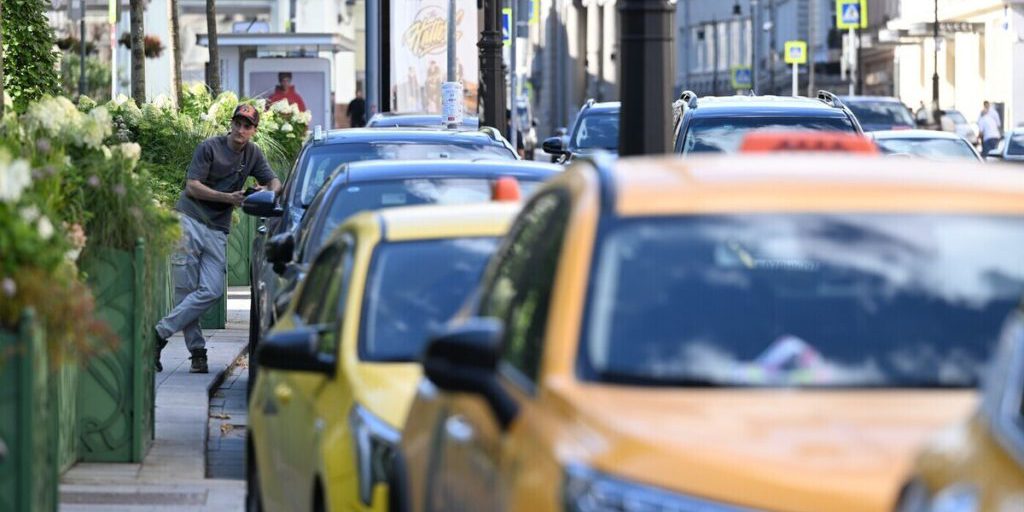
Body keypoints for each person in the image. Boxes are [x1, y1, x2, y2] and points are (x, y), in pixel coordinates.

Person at [154, 104, 282, 373]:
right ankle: (198, 352)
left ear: (253, 131)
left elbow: (275, 182)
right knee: (185, 291)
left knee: (211, 290)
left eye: (247, 125)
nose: (241, 129)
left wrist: (264, 188)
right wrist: (228, 198)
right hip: (188, 219)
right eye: (237, 123)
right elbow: (193, 186)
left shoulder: (253, 154)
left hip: (217, 229)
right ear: (231, 124)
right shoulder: (209, 147)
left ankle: (157, 335)